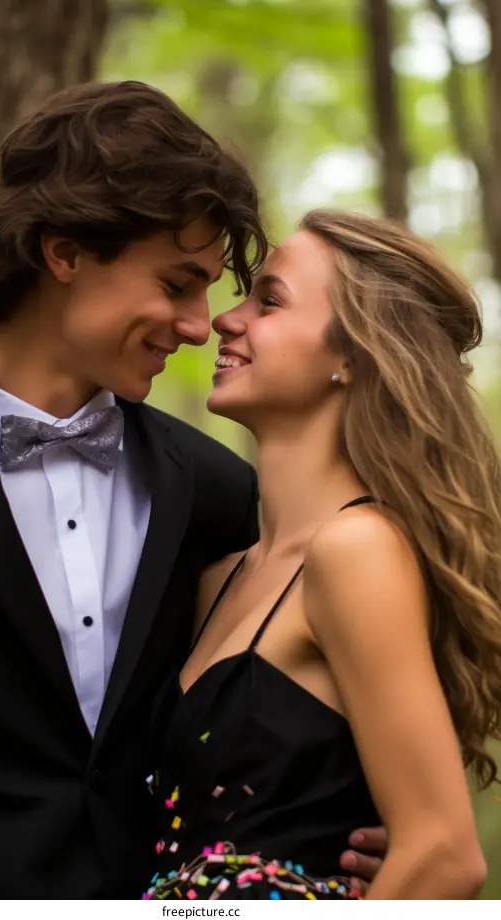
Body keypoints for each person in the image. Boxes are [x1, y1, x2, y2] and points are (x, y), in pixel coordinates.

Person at [0, 83, 383, 898]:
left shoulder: (221, 492)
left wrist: (346, 848)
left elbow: (253, 740)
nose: (202, 325)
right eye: (177, 284)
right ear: (65, 252)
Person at [145, 209, 501, 900]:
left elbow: (443, 854)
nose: (225, 319)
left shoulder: (357, 551)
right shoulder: (220, 576)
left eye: (268, 300)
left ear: (354, 356)